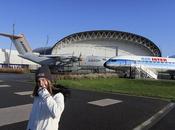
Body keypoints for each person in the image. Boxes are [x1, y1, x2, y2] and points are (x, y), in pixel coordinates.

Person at [27, 65, 70, 130]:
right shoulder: (38, 96)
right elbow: (33, 116)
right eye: (38, 81)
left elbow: (56, 113)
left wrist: (46, 96)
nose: (41, 84)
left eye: (43, 80)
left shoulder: (58, 95)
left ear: (48, 80)